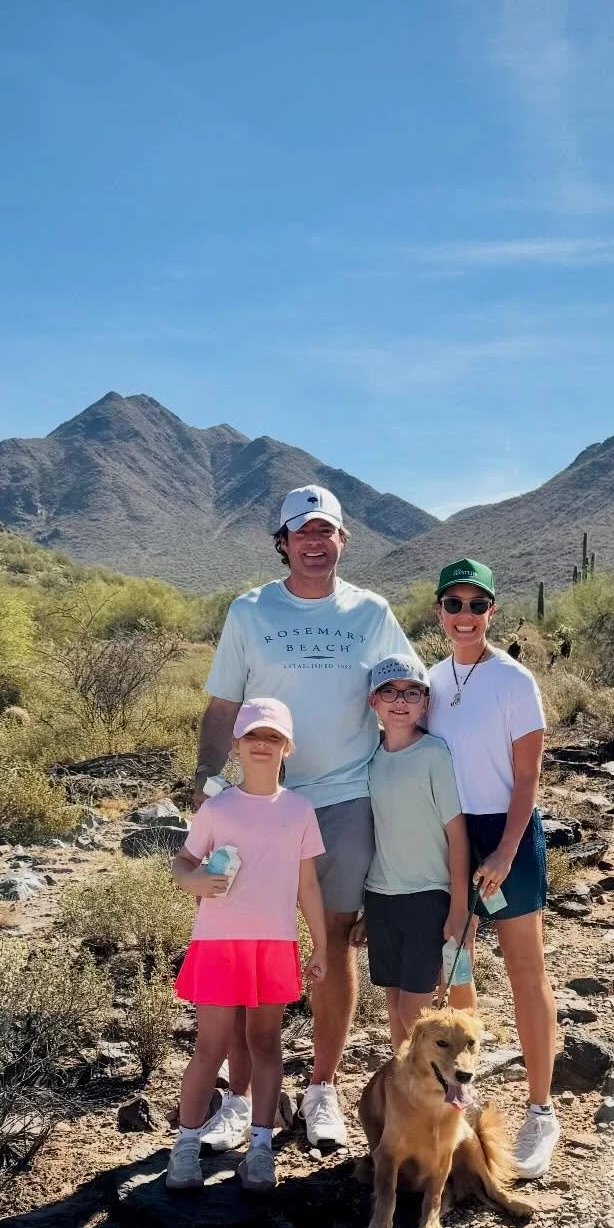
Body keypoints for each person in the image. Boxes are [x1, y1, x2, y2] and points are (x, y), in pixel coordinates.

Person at [191, 484, 415, 1153]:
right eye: (303, 532)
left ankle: (321, 1090)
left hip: (346, 796)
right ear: (283, 542)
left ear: (343, 541)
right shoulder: (251, 610)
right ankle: (238, 1099)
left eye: (328, 532)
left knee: (337, 940)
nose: (316, 543)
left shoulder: (371, 612)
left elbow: (409, 690)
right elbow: (224, 706)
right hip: (261, 801)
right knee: (242, 944)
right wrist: (205, 786)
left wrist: (418, 784)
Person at [424, 558, 560, 1178]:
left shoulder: (513, 680)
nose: (464, 616)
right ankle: (464, 1097)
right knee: (458, 965)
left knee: (524, 967)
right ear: (439, 612)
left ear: (492, 612)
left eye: (476, 605)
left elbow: (527, 776)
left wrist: (505, 850)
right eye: (453, 605)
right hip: (454, 835)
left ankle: (540, 1110)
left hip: (507, 830)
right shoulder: (432, 679)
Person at [169, 698, 327, 1193]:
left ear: (288, 748)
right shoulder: (217, 808)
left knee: (265, 1043)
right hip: (218, 943)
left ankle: (260, 1150)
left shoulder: (300, 810)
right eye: (253, 736)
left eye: (273, 737)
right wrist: (193, 881)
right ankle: (185, 1148)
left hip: (274, 945)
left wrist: (320, 945)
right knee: (210, 1047)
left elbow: (308, 887)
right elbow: (183, 862)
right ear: (236, 744)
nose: (263, 745)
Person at [352, 653, 470, 1053]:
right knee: (394, 1004)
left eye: (412, 692)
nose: (400, 700)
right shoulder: (369, 760)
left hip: (428, 897)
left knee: (414, 1012)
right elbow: (376, 834)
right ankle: (412, 1097)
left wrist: (458, 907)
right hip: (382, 897)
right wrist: (367, 912)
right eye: (389, 691)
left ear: (425, 702)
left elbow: (457, 835)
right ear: (373, 701)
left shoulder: (434, 754)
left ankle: (450, 1091)